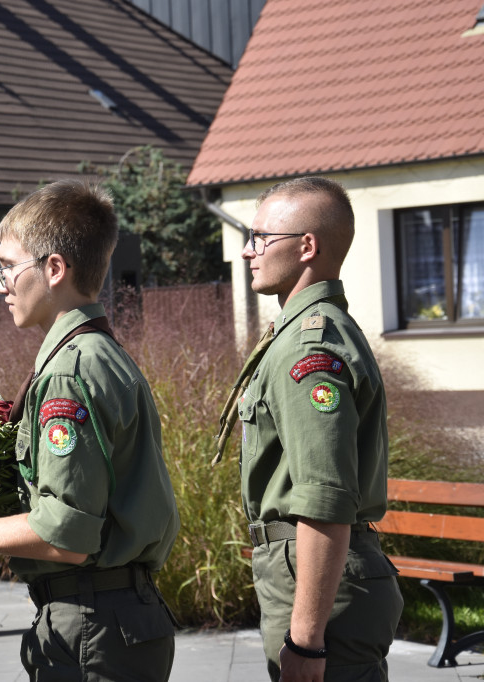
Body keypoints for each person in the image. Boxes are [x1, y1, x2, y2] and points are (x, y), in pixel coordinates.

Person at [0, 180, 180, 681]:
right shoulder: (94, 353)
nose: (0, 285)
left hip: (94, 625)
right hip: (106, 618)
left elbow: (65, 534)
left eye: (7, 267)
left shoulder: (71, 370)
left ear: (53, 269)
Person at [213, 177, 402, 681]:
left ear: (307, 247)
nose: (249, 251)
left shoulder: (308, 347)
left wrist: (307, 639)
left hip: (317, 583)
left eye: (260, 238)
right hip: (311, 575)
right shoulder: (306, 331)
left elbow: (324, 497)